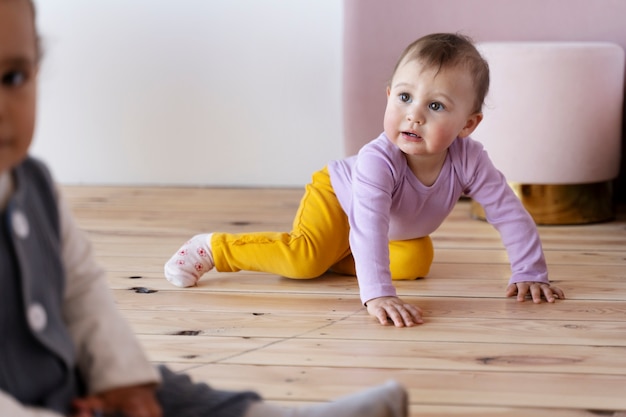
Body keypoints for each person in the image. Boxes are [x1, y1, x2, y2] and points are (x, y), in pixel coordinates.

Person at [0, 0, 410, 416]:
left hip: (72, 378)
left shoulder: (35, 187)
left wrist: (122, 380)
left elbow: (82, 290)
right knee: (304, 256)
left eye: (13, 78)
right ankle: (214, 249)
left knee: (165, 385)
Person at [165, 32, 566, 328]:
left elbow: (509, 213)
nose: (414, 115)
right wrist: (378, 293)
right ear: (389, 95)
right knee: (304, 259)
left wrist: (530, 271)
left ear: (469, 124)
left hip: (385, 229)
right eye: (405, 98)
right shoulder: (379, 159)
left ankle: (335, 255)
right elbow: (370, 222)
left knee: (416, 260)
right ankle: (213, 249)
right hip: (337, 195)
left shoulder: (471, 160)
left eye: (436, 106)